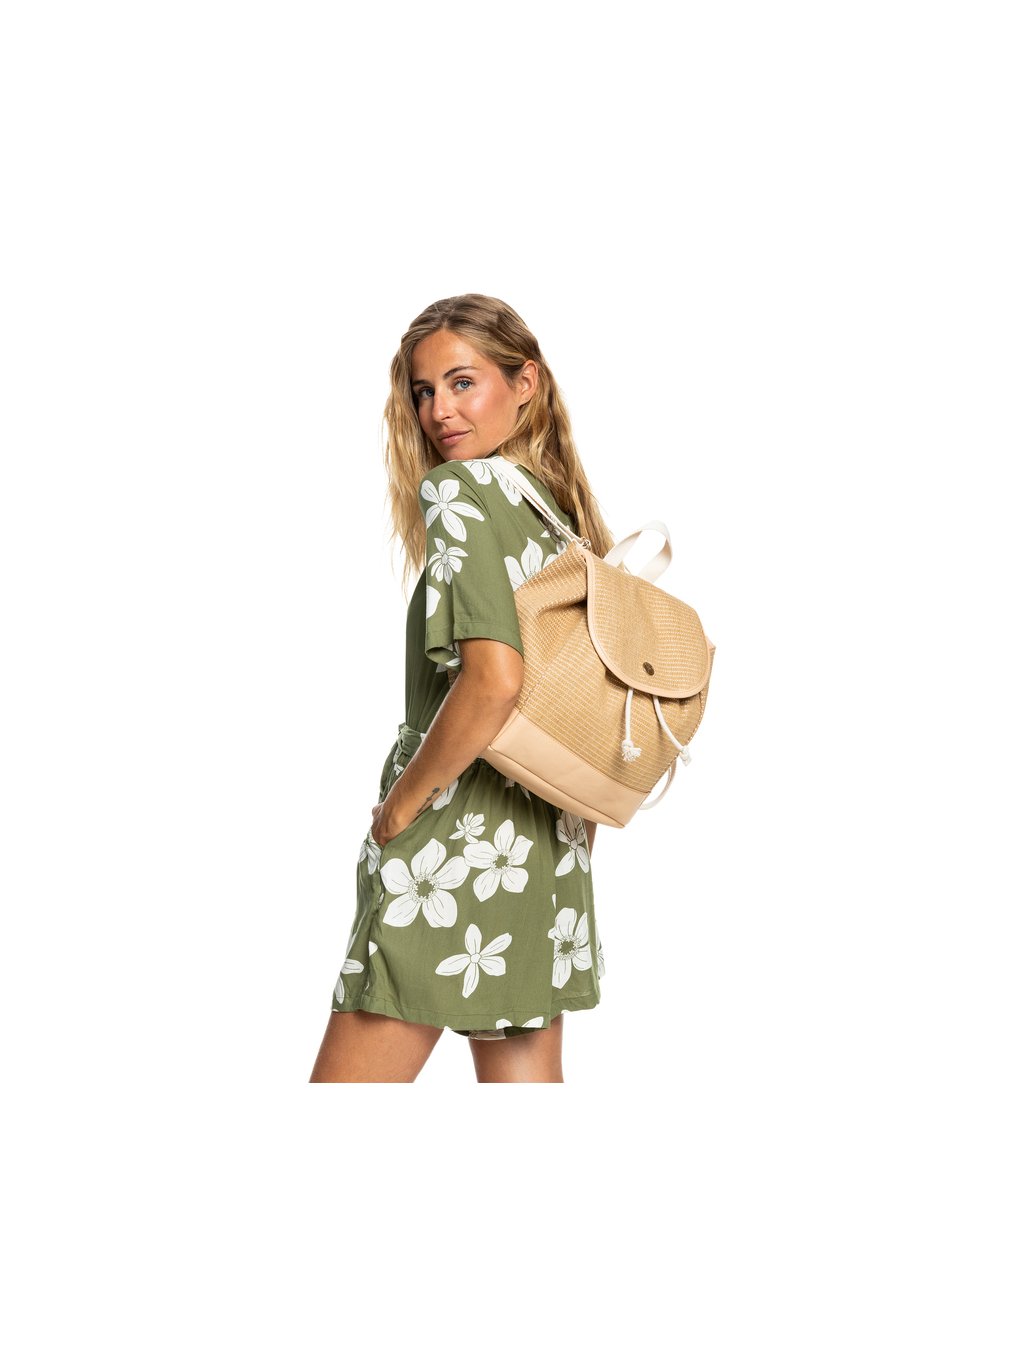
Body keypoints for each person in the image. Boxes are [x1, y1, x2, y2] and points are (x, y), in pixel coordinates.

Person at [309, 293, 616, 1083]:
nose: (438, 410)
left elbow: (495, 681)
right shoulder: (557, 516)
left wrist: (400, 807)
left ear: (525, 383)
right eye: (423, 391)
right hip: (539, 848)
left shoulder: (462, 492)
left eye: (462, 382)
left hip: (452, 843)